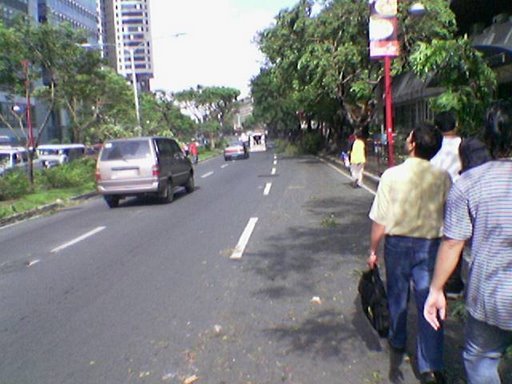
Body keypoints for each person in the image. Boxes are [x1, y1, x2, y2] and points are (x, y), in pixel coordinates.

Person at [424, 102, 512, 384]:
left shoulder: (469, 184)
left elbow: (452, 244)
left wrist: (437, 289)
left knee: (480, 360)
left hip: (490, 296)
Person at [368, 123, 451, 384]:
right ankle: (430, 367)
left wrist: (373, 250)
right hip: (431, 246)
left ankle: (398, 339)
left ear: (413, 143)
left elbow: (380, 221)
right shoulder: (443, 178)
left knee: (397, 296)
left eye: (409, 136)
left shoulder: (391, 176)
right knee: (430, 301)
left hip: (398, 245)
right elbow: (450, 216)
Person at [430, 111, 464, 298]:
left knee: (437, 238)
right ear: (456, 125)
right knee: (455, 238)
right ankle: (453, 283)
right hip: (459, 196)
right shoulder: (463, 145)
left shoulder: (433, 145)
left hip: (435, 196)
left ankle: (436, 279)